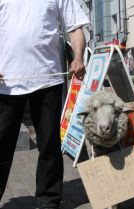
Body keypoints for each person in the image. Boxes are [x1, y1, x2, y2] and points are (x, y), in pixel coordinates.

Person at [0, 0, 89, 208]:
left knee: (49, 144)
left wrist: (77, 57)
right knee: (1, 143)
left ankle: (48, 200)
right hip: (6, 83)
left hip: (48, 80)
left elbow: (75, 27)